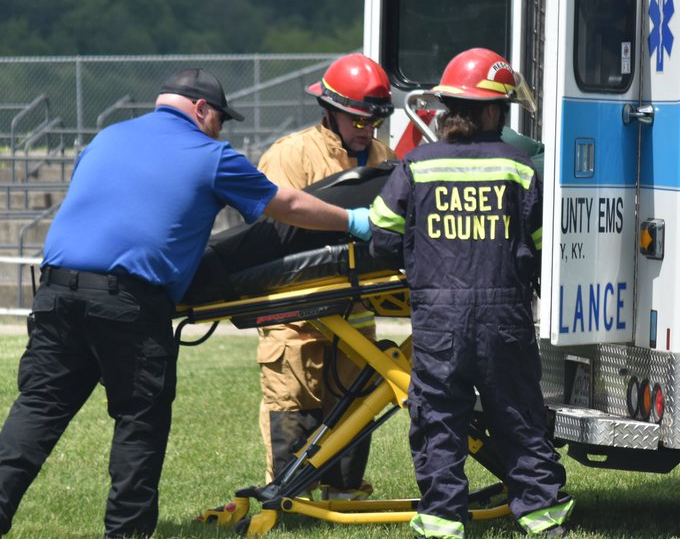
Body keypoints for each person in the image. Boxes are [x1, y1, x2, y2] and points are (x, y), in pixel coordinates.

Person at [0, 68, 373, 539]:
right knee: (139, 423)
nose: (221, 130)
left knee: (37, 410)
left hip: (55, 292)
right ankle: (127, 533)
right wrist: (354, 219)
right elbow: (289, 207)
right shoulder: (210, 154)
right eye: (220, 119)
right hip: (130, 302)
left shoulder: (107, 138)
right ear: (201, 110)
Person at [368, 48, 573, 539]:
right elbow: (542, 247)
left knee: (439, 417)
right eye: (500, 110)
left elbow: (381, 237)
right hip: (505, 317)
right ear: (487, 111)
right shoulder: (519, 168)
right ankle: (542, 517)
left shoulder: (415, 165)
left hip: (438, 319)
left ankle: (442, 520)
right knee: (519, 414)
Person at [254, 53, 395, 498]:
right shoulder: (291, 155)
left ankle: (344, 490)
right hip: (295, 312)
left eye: (372, 119)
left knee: (355, 402)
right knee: (293, 401)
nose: (365, 128)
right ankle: (288, 495)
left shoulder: (383, 156)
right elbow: (275, 226)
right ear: (330, 109)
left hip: (354, 312)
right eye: (356, 118)